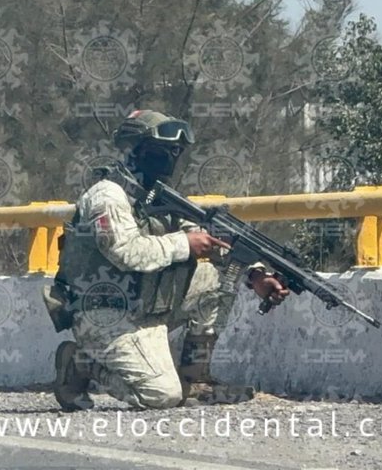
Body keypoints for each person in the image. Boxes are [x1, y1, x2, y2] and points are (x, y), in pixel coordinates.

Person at [47, 110, 289, 411]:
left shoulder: (157, 196)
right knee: (161, 396)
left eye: (177, 151)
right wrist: (184, 244)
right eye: (164, 151)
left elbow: (209, 240)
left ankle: (196, 379)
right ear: (136, 150)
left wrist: (256, 276)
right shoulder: (107, 196)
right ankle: (80, 365)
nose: (172, 158)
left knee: (218, 281)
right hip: (104, 312)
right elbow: (125, 252)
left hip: (146, 303)